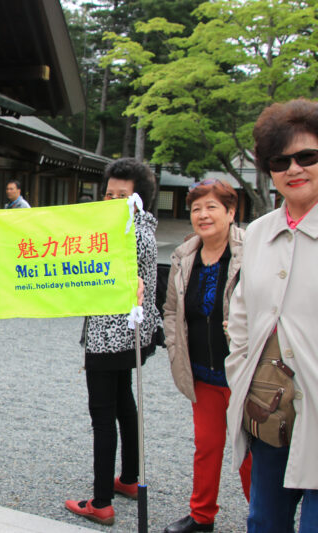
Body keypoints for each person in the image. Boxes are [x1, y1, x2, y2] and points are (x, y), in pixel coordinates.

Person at [226, 98, 318, 532]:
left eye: (307, 156)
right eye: (280, 161)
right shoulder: (260, 231)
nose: (294, 169)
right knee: (264, 520)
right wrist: (240, 369)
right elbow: (241, 310)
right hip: (269, 409)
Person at [66, 158, 161, 526]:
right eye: (108, 193)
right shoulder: (143, 228)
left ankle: (101, 500)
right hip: (133, 336)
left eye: (122, 195)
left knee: (103, 417)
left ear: (139, 199)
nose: (112, 200)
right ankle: (130, 479)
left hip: (109, 337)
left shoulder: (122, 232)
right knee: (124, 403)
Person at [162, 179, 252, 533]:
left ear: (231, 212)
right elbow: (171, 310)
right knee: (207, 447)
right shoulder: (185, 255)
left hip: (246, 372)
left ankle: (263, 517)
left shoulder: (252, 250)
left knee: (250, 456)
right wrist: (174, 346)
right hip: (202, 371)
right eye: (196, 208)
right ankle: (201, 516)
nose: (203, 214)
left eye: (212, 207)